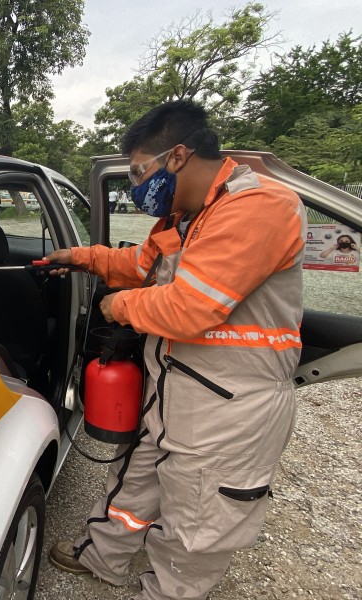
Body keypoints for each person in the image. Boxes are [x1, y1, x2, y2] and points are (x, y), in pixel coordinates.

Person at [44, 100, 306, 600]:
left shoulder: (258, 207)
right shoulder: (183, 218)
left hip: (230, 406)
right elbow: (137, 264)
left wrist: (119, 308)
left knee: (197, 524)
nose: (137, 184)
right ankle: (104, 557)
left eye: (140, 170)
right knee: (136, 481)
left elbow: (189, 308)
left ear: (178, 156)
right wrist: (79, 257)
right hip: (174, 388)